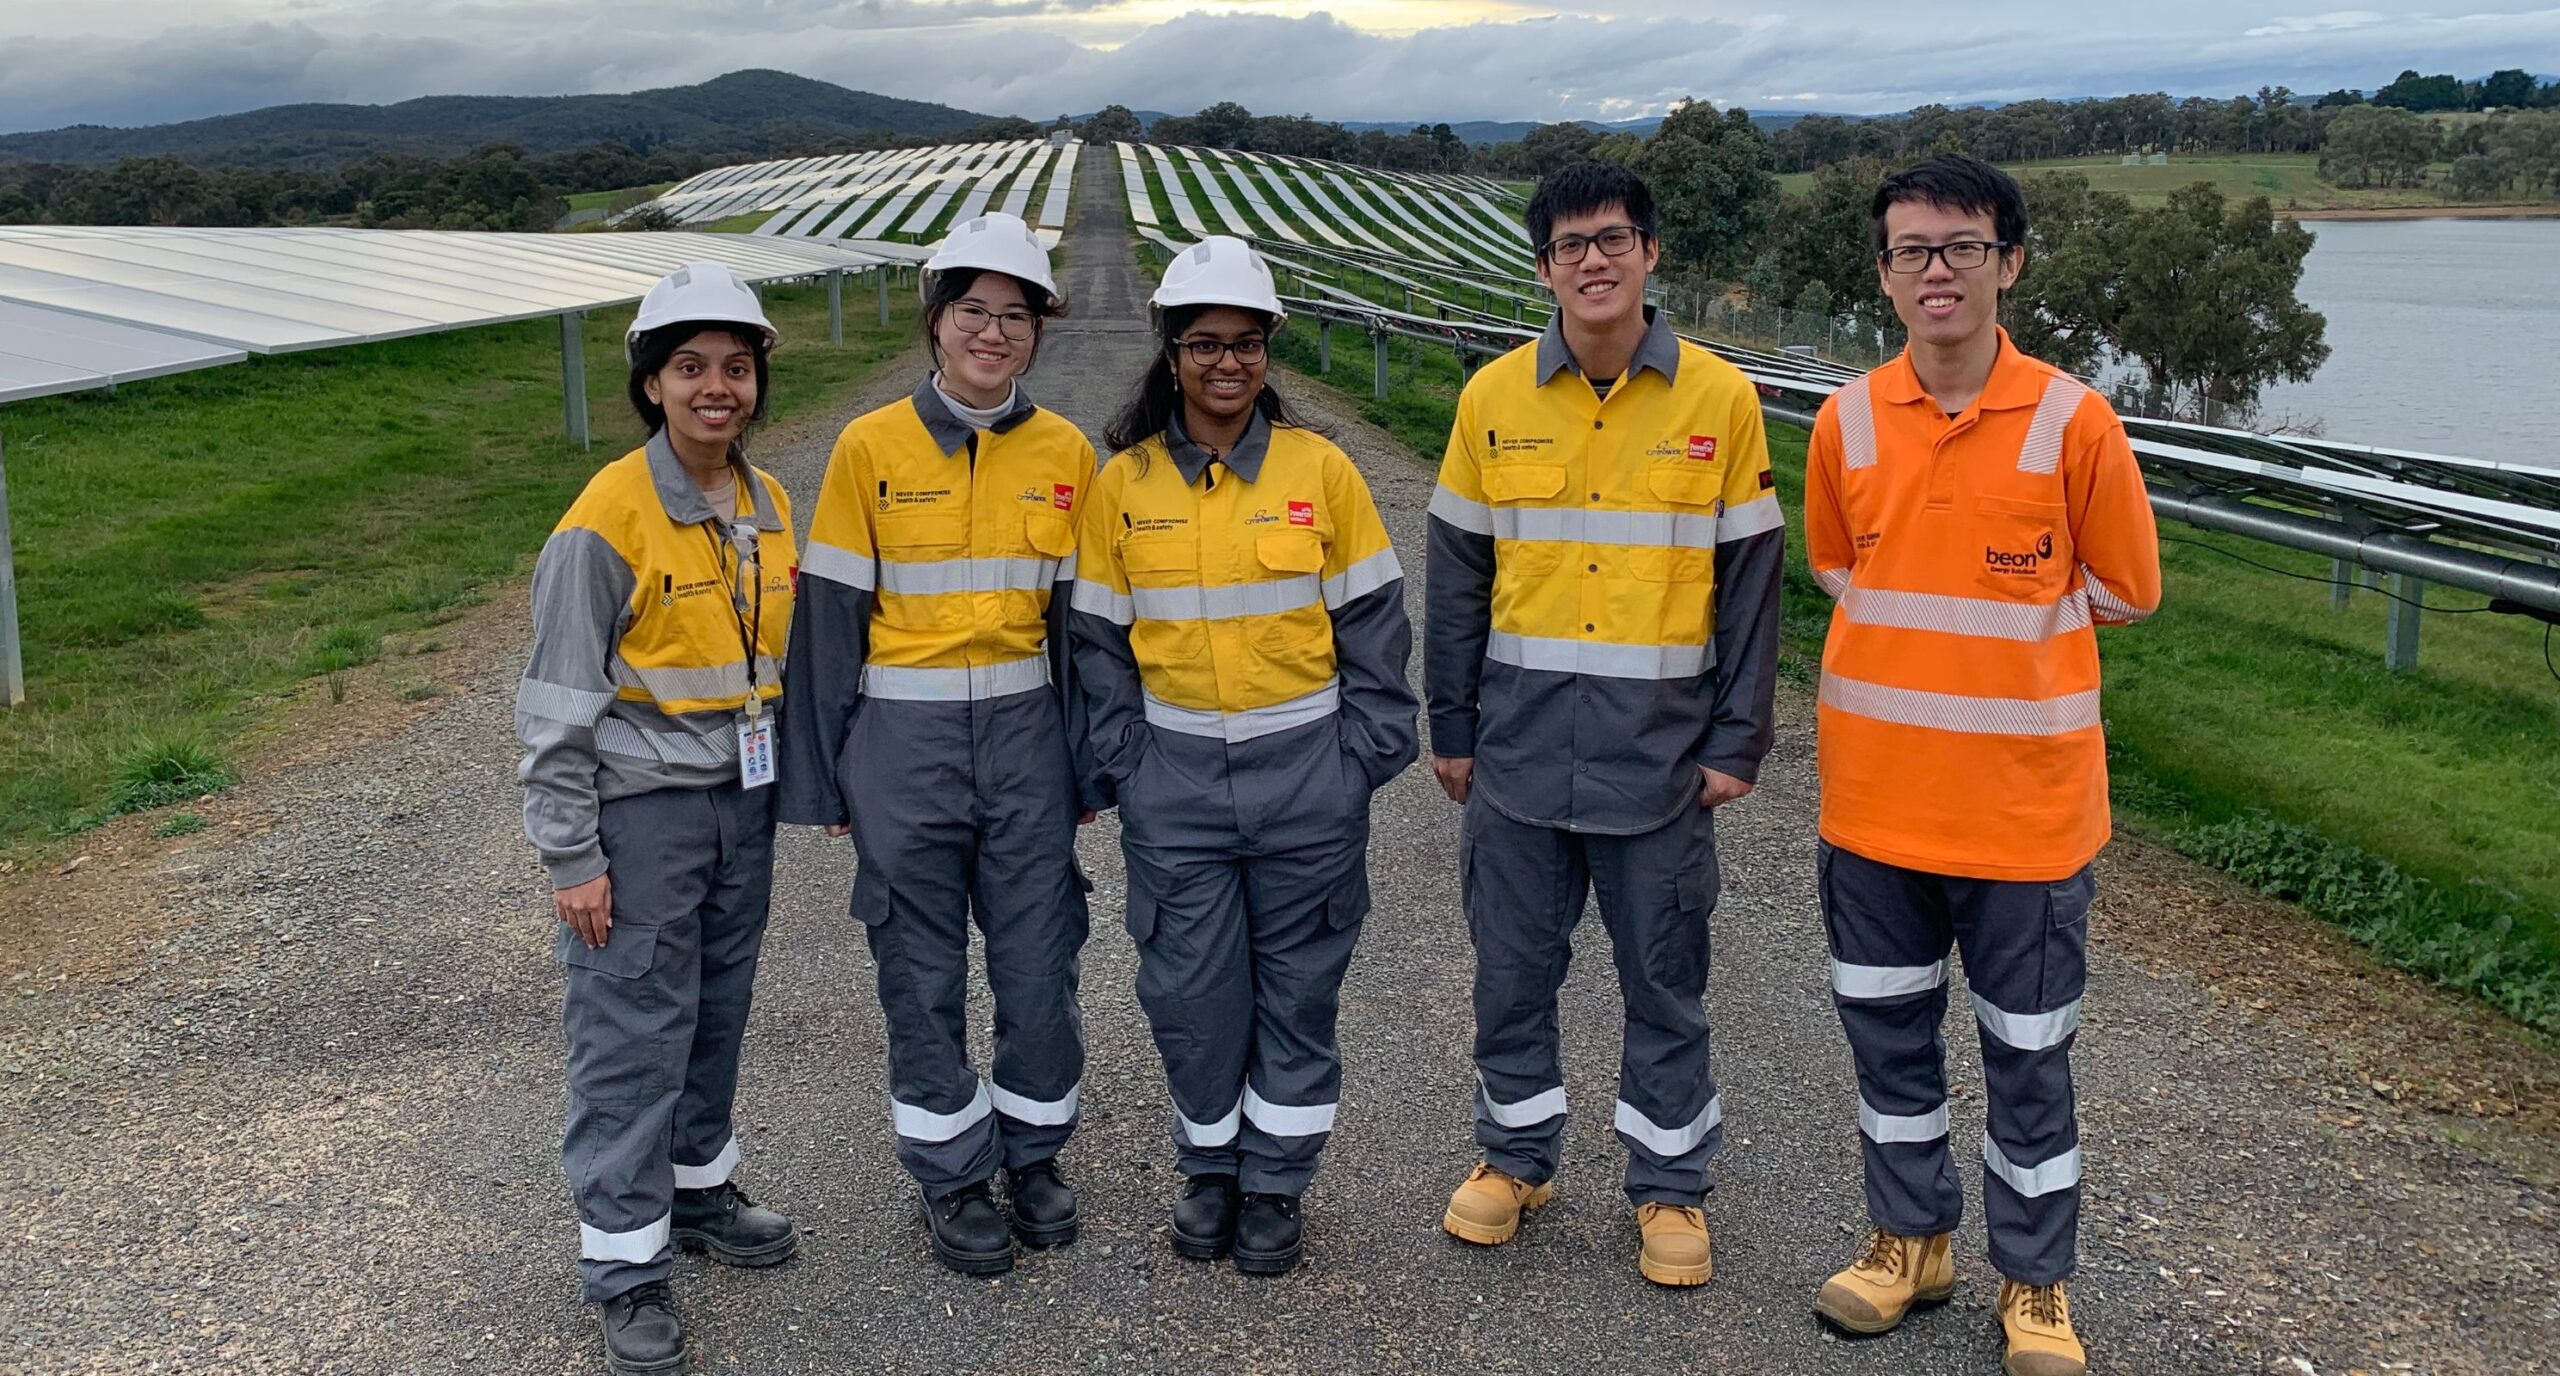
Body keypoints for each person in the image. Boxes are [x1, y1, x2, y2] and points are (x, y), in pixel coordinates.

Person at [1801, 154, 2161, 1376]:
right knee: (1890, 1051)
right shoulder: (1845, 418)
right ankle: (1908, 1244)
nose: (1935, 269)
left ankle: (2037, 1284)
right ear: (1885, 273)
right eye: (1910, 249)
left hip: (2025, 824)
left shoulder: (2074, 420)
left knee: (2028, 1059)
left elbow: (2123, 587)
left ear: (2009, 262)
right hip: (1873, 813)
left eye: (1960, 246)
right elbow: (1841, 566)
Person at [1423, 161, 1783, 1287]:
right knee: (1512, 974)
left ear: (1649, 253)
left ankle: (1670, 1186)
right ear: (1542, 265)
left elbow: (1752, 587)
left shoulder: (1719, 401)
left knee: (1664, 977)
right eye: (1570, 243)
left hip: (1659, 761)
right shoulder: (1490, 400)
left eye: (1613, 237)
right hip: (1521, 756)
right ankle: (1513, 1159)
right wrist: (1453, 723)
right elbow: (1456, 577)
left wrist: (1737, 740)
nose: (1593, 258)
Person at [1069, 236, 1416, 1276]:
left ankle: (1274, 1183)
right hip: (1173, 784)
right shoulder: (1121, 484)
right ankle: (1209, 1168)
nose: (1228, 363)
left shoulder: (1323, 471)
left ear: (1269, 351)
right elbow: (1096, 645)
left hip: (1308, 778)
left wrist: (1361, 756)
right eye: (1205, 343)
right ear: (1171, 353)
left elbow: (1376, 629)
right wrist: (1127, 761)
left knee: (1300, 989)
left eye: (1248, 343)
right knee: (1188, 988)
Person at [775, 212, 1099, 1277]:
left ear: (1034, 334)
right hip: (902, 740)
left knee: (1038, 959)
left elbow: (1080, 626)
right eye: (974, 312)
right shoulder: (868, 446)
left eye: (1014, 317)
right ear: (936, 321)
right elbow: (827, 617)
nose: (993, 334)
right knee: (917, 969)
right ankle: (952, 1173)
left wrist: (1086, 758)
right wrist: (821, 771)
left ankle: (1033, 1154)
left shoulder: (1066, 453)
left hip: (1024, 740)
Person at [517, 260, 802, 1375]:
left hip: (744, 804)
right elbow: (553, 707)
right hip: (641, 819)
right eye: (689, 368)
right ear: (650, 386)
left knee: (714, 1013)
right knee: (629, 1036)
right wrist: (571, 856)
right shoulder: (603, 521)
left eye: (735, 367)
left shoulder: (769, 503)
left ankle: (696, 1192)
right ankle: (626, 1267)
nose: (715, 388)